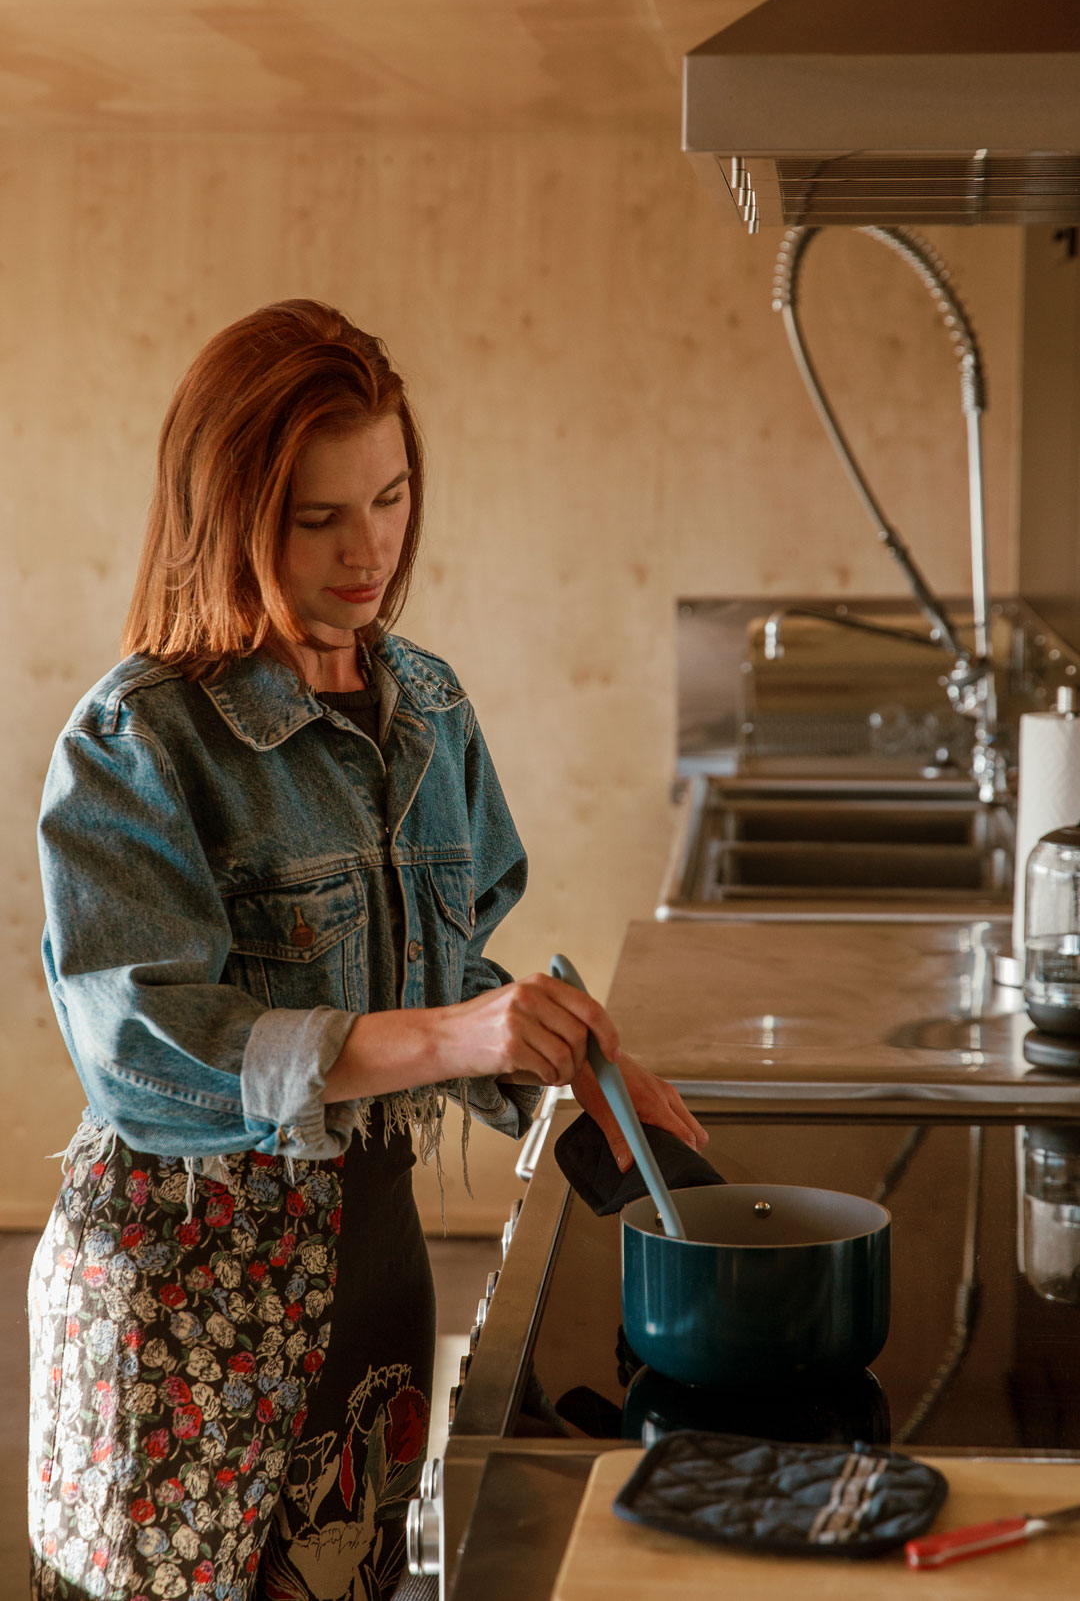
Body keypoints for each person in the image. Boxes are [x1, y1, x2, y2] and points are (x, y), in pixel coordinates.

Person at [27, 298, 707, 1601]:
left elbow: (443, 984)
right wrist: (458, 1033)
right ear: (228, 518)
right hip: (185, 1313)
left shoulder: (430, 709)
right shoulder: (139, 738)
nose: (370, 550)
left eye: (391, 498)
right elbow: (140, 1057)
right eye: (318, 516)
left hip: (376, 1270)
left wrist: (565, 1057)